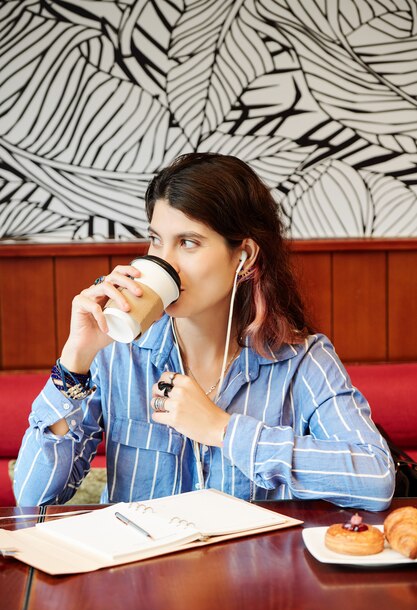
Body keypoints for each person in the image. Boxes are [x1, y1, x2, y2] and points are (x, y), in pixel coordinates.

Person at [14, 153, 394, 511]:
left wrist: (223, 430)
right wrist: (74, 361)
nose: (165, 262)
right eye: (157, 240)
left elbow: (375, 477)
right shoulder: (117, 353)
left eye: (188, 243)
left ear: (244, 256)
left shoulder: (301, 360)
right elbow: (33, 498)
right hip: (140, 578)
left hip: (253, 577)